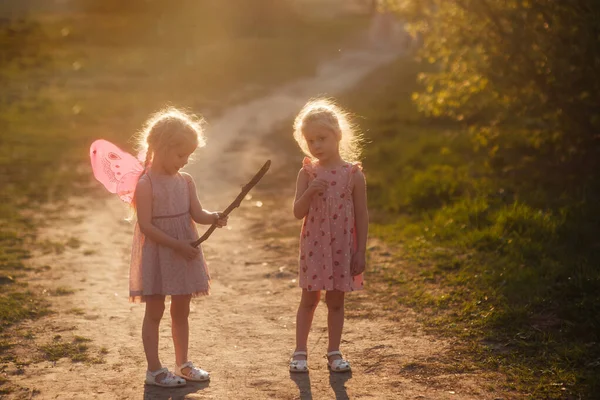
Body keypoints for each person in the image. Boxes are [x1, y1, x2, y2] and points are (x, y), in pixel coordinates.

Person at [129, 107, 228, 387]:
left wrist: (214, 217)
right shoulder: (146, 184)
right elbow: (146, 226)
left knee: (181, 310)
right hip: (160, 254)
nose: (184, 161)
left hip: (183, 251)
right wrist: (177, 245)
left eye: (188, 155)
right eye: (180, 154)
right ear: (159, 147)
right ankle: (155, 370)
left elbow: (197, 213)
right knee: (155, 311)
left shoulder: (186, 181)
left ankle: (183, 363)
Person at [289, 99, 368, 373]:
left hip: (341, 248)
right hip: (314, 246)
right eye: (311, 141)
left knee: (335, 301)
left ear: (338, 135)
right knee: (309, 299)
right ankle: (300, 352)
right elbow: (297, 212)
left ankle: (334, 352)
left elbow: (362, 215)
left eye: (321, 139)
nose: (316, 146)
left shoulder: (353, 174)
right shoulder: (308, 172)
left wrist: (360, 251)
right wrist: (310, 191)